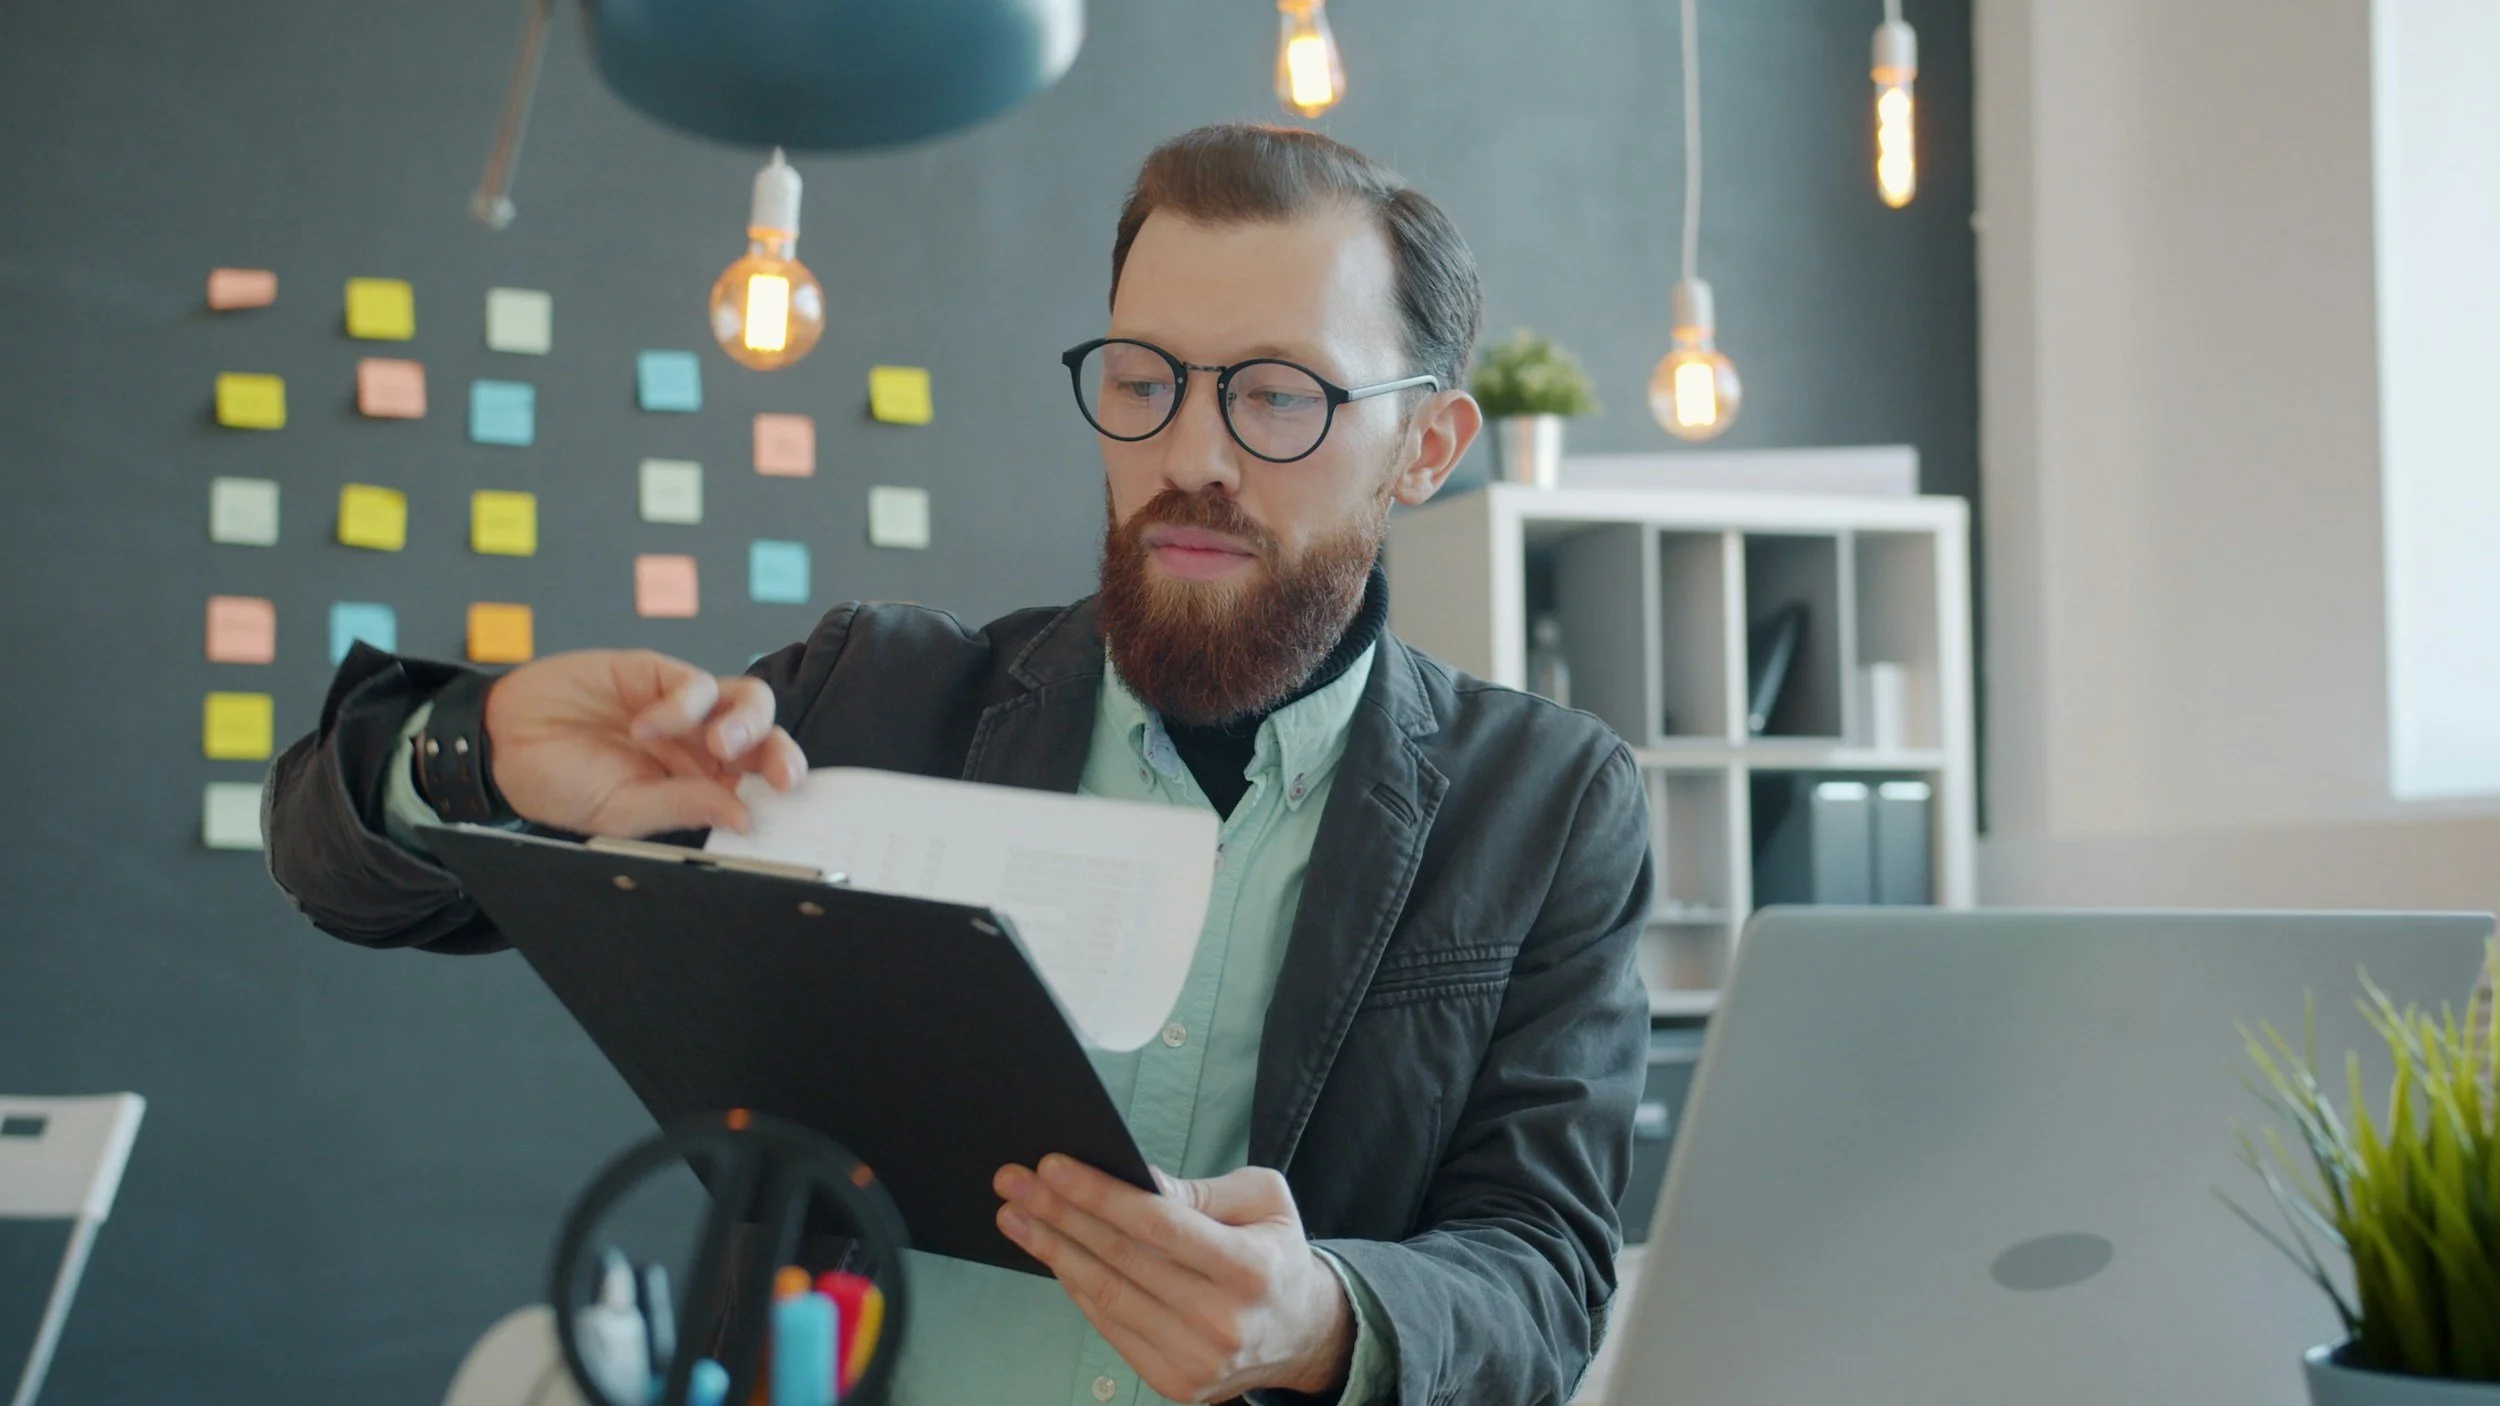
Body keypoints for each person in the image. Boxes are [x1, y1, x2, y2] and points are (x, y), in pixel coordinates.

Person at [265, 122, 1651, 1406]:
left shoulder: (1549, 806)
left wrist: (1329, 1316)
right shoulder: (865, 699)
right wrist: (474, 754)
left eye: (1278, 395)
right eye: (1142, 379)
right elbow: (343, 876)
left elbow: (1547, 1265)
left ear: (1426, 445)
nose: (1191, 453)